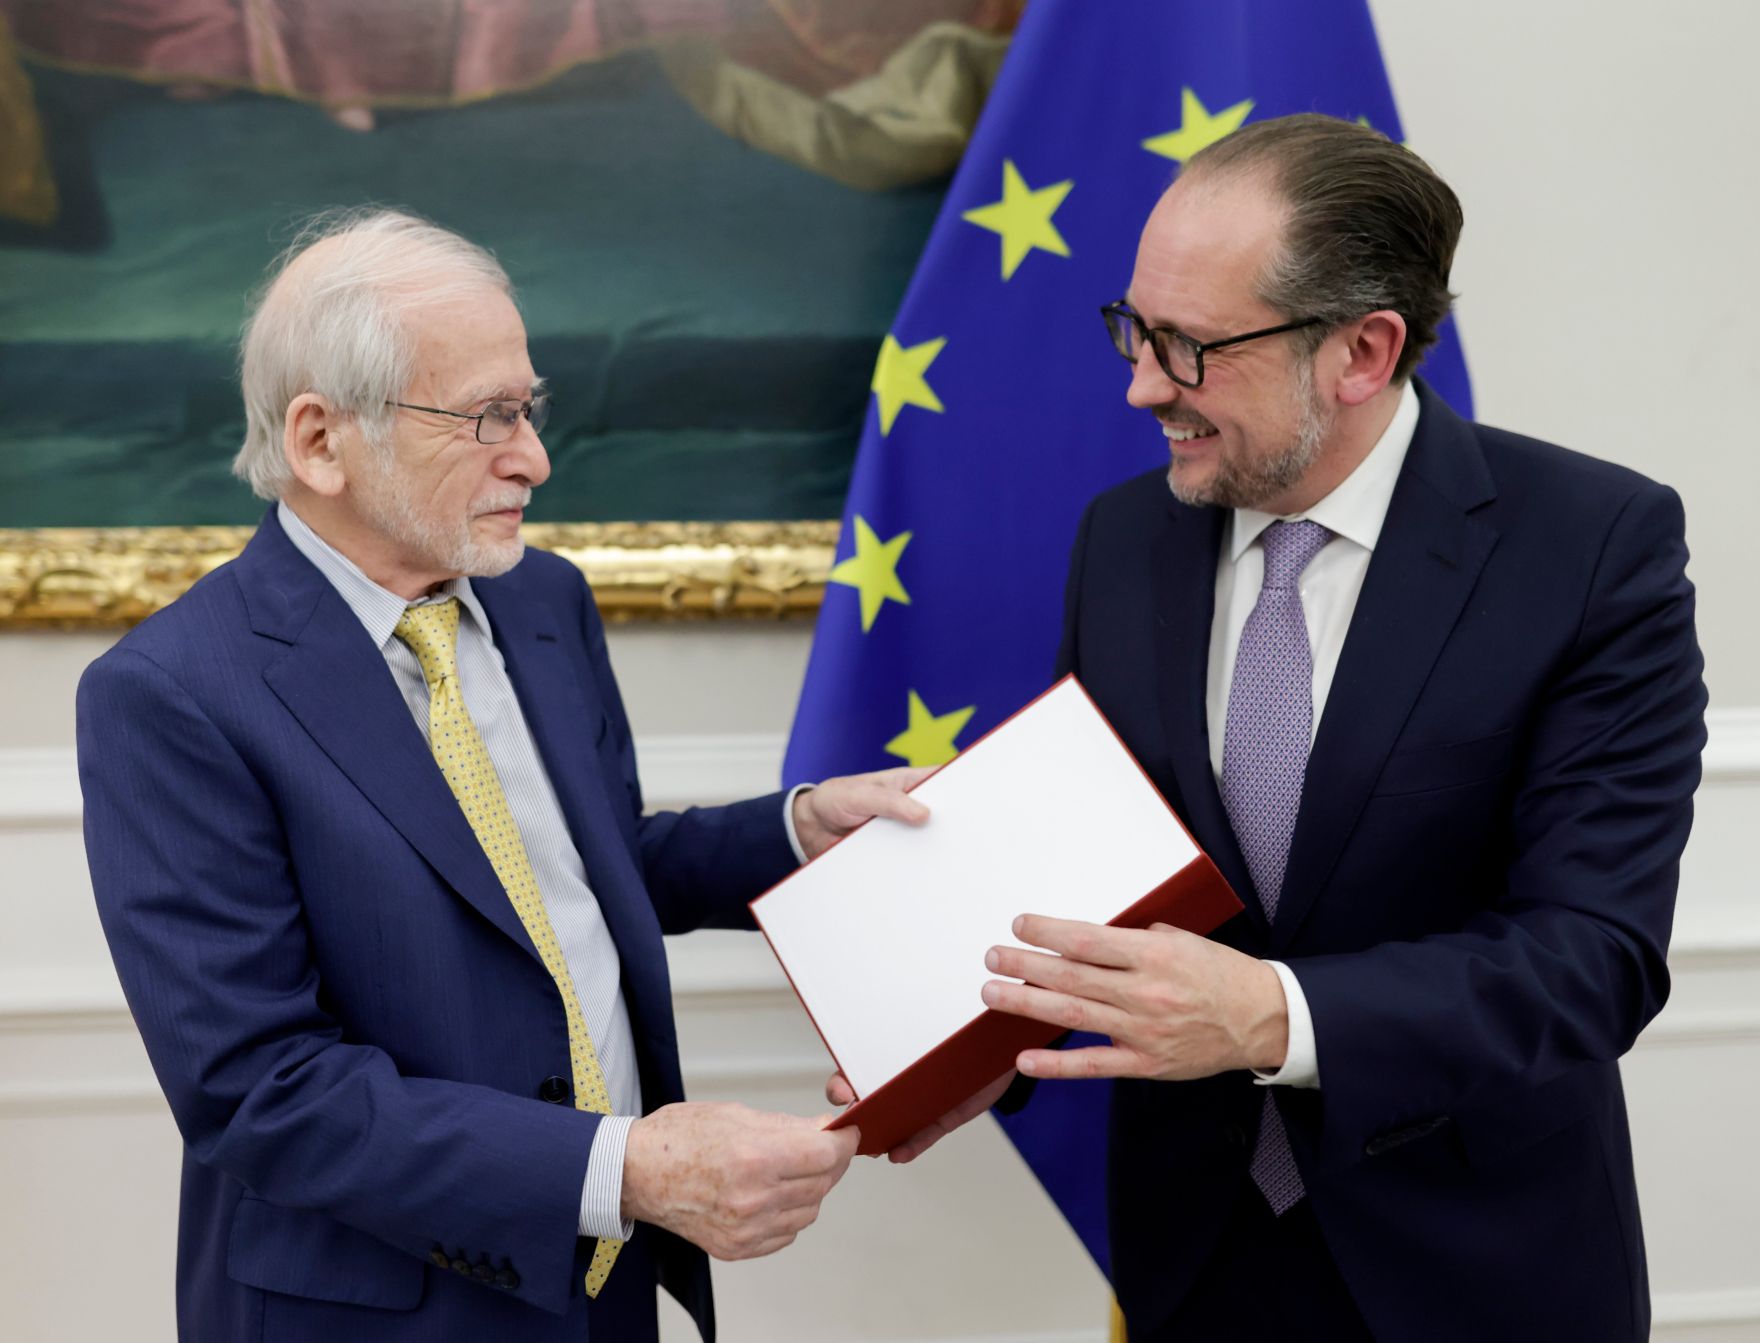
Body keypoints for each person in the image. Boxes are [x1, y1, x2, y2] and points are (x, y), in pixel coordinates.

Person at [895, 115, 1706, 1340]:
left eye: (1188, 346)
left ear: (1362, 351)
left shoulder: (1589, 547)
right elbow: (1082, 856)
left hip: (1475, 1271)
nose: (1140, 384)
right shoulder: (1123, 538)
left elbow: (1589, 956)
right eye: (1132, 327)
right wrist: (960, 1046)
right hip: (1194, 1262)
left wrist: (1273, 1014)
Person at [76, 206, 932, 1343]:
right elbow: (261, 1090)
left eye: (526, 407)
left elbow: (571, 869)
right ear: (321, 440)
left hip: (601, 1288)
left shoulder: (541, 599)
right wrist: (619, 1166)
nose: (531, 455)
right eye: (484, 417)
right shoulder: (171, 693)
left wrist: (790, 830)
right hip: (370, 1312)